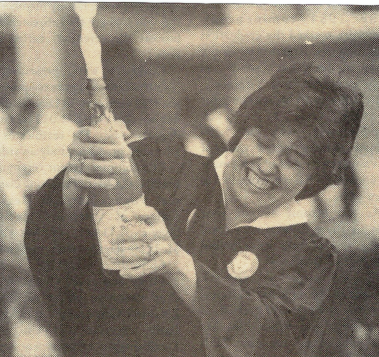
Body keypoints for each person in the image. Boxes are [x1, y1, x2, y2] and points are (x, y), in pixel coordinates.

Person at [24, 63, 363, 357]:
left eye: (293, 160)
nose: (268, 165)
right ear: (242, 132)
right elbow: (70, 263)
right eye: (262, 141)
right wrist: (73, 191)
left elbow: (272, 340)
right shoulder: (159, 167)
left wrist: (178, 264)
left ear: (314, 177)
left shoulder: (308, 257)